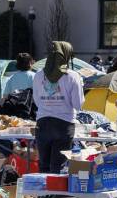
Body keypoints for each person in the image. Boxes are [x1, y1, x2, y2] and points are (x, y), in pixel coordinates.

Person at [32, 42, 85, 174]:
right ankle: (54, 194)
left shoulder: (38, 75)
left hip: (43, 122)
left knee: (44, 166)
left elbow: (37, 100)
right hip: (64, 123)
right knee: (58, 167)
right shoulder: (72, 76)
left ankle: (43, 195)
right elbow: (78, 104)